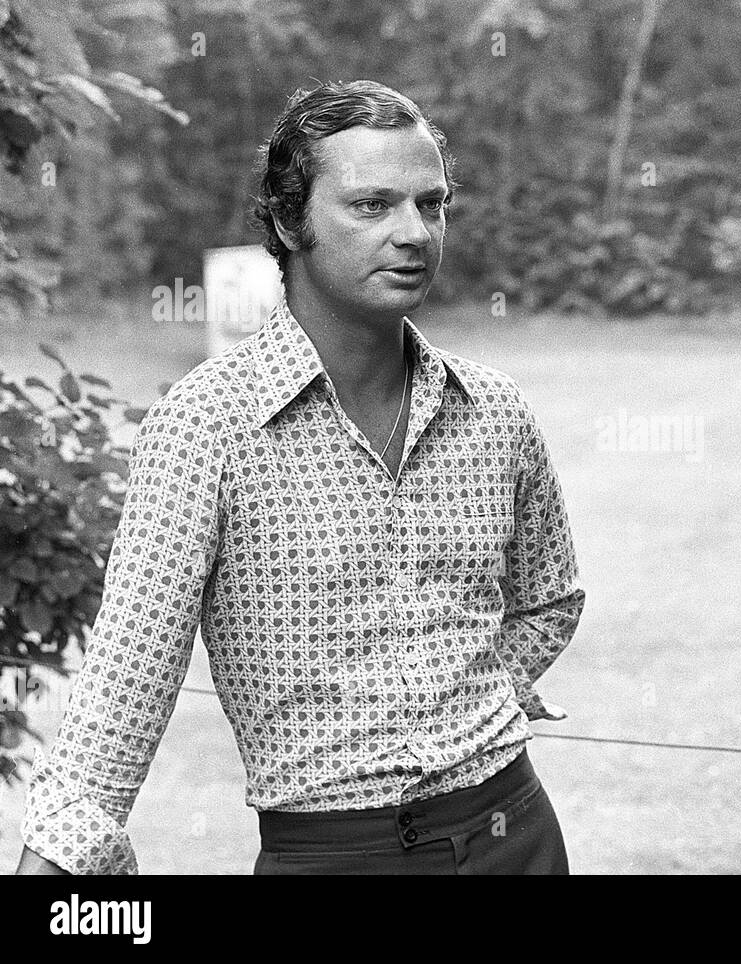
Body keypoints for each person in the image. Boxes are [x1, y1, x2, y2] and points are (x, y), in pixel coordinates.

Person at [17, 80, 584, 875]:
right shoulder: (207, 424)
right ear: (289, 220)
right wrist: (60, 854)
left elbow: (549, 598)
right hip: (330, 855)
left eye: (432, 203)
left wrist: (472, 699)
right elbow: (128, 670)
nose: (413, 232)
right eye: (372, 205)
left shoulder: (493, 411)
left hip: (513, 833)